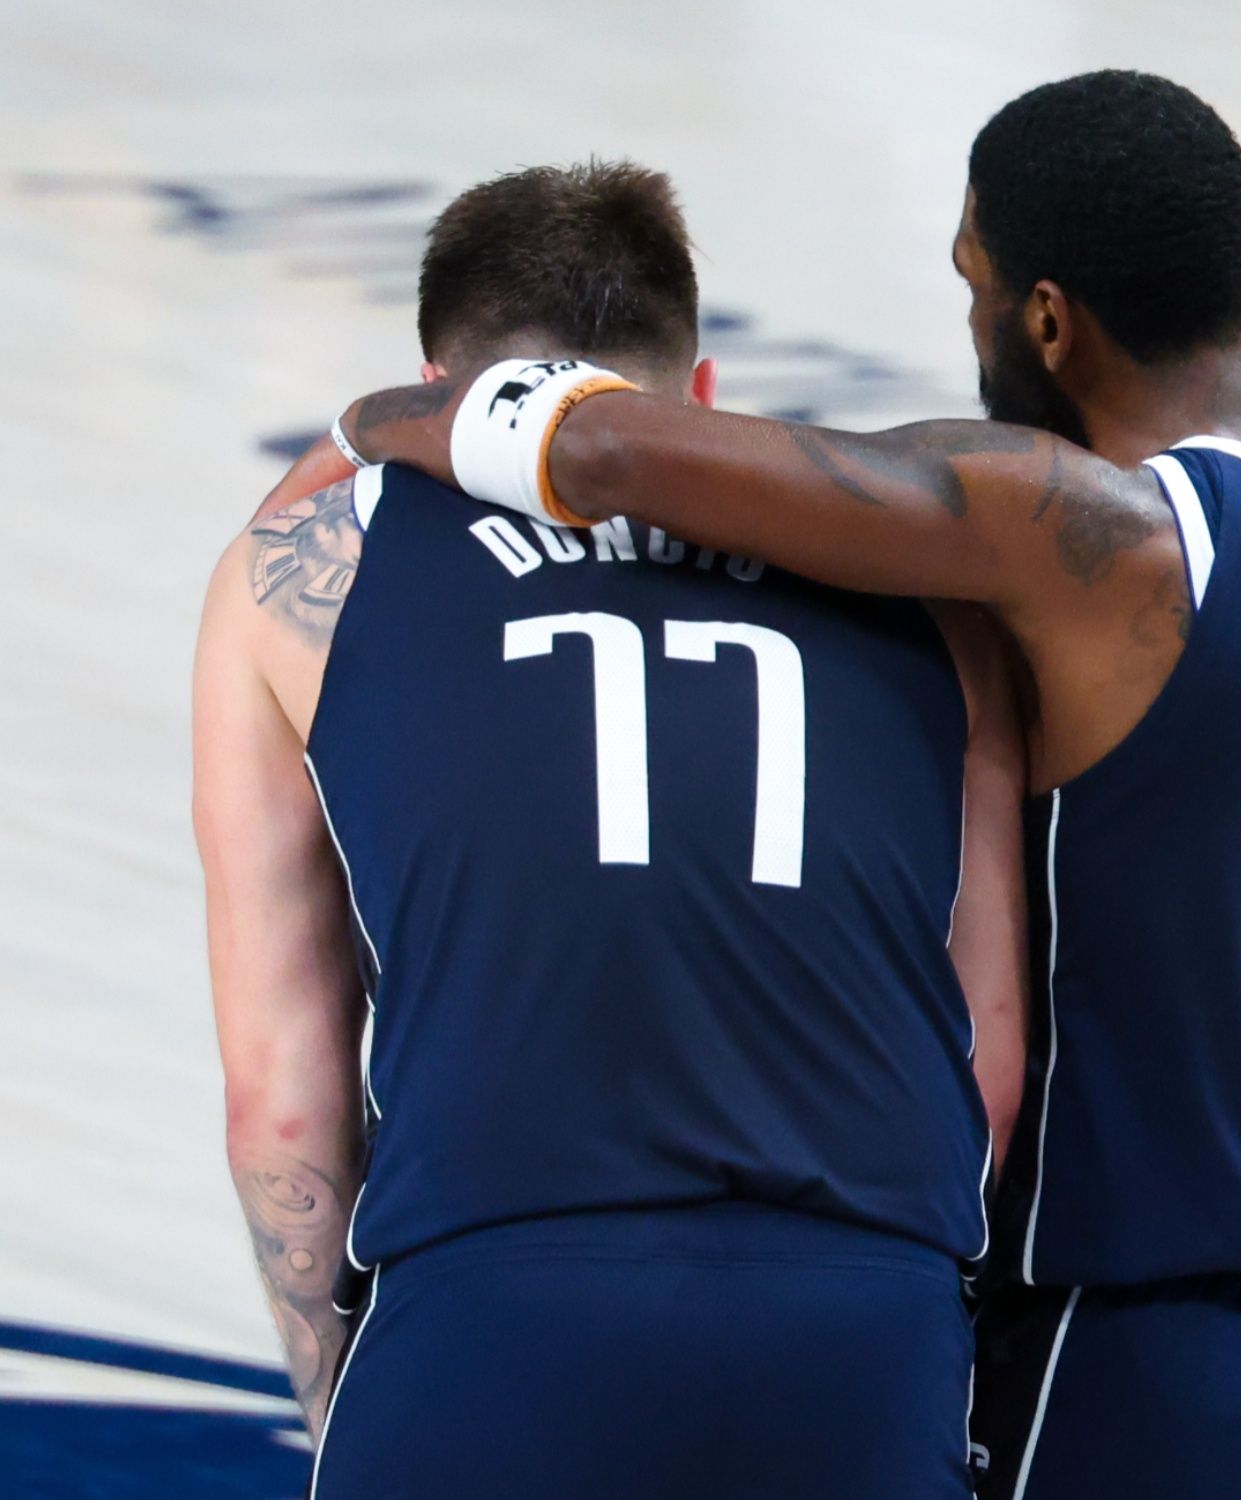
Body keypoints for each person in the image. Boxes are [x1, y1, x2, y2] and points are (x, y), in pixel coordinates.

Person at [326, 72, 1241, 1500]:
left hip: (1115, 1359)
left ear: (1047, 320)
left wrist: (392, 421)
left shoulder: (1086, 538)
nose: (971, 325)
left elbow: (606, 447)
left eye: (975, 286)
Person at [191, 161, 1029, 1499]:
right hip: (850, 1320)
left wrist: (340, 1394)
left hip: (496, 1304)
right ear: (701, 391)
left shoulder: (298, 577)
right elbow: (988, 1064)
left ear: (435, 390)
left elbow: (278, 1102)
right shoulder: (928, 587)